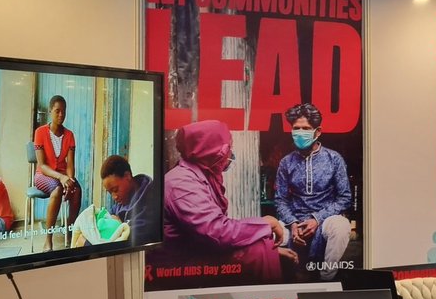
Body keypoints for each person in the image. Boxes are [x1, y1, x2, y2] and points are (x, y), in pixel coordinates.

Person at [162, 120, 297, 282]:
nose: (230, 153)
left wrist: (271, 249)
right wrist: (266, 223)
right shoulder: (182, 183)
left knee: (263, 246)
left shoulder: (201, 176)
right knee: (259, 250)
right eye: (228, 147)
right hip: (179, 267)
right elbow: (218, 232)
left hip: (199, 253)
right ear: (214, 152)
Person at [274, 103, 352, 279]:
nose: (300, 132)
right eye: (296, 128)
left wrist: (317, 219)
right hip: (293, 221)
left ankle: (327, 278)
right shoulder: (286, 162)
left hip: (324, 220)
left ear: (317, 132)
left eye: (306, 128)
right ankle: (278, 282)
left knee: (341, 226)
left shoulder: (334, 159)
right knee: (267, 233)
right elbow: (280, 199)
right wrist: (293, 223)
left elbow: (344, 198)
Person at [33, 94, 81, 250]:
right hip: (43, 175)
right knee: (57, 189)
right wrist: (61, 178)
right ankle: (48, 239)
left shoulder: (70, 135)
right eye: (57, 111)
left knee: (77, 190)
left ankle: (70, 231)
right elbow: (42, 165)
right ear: (50, 111)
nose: (61, 115)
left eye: (64, 111)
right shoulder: (40, 132)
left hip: (63, 175)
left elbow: (70, 165)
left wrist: (70, 180)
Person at [100, 155, 162, 245]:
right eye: (110, 193)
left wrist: (118, 225)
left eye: (115, 190)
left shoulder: (150, 201)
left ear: (127, 176)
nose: (114, 197)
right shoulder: (121, 201)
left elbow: (131, 239)